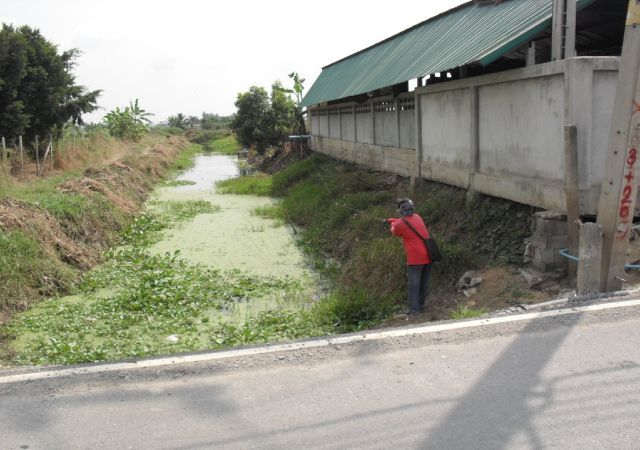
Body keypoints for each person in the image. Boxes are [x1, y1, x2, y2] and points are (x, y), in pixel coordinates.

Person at [385, 198, 432, 315]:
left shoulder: (400, 224)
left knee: (414, 285)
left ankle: (414, 310)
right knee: (424, 282)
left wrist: (392, 223)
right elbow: (407, 223)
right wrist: (394, 221)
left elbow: (394, 231)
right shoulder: (417, 217)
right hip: (429, 254)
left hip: (415, 258)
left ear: (400, 210)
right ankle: (420, 305)